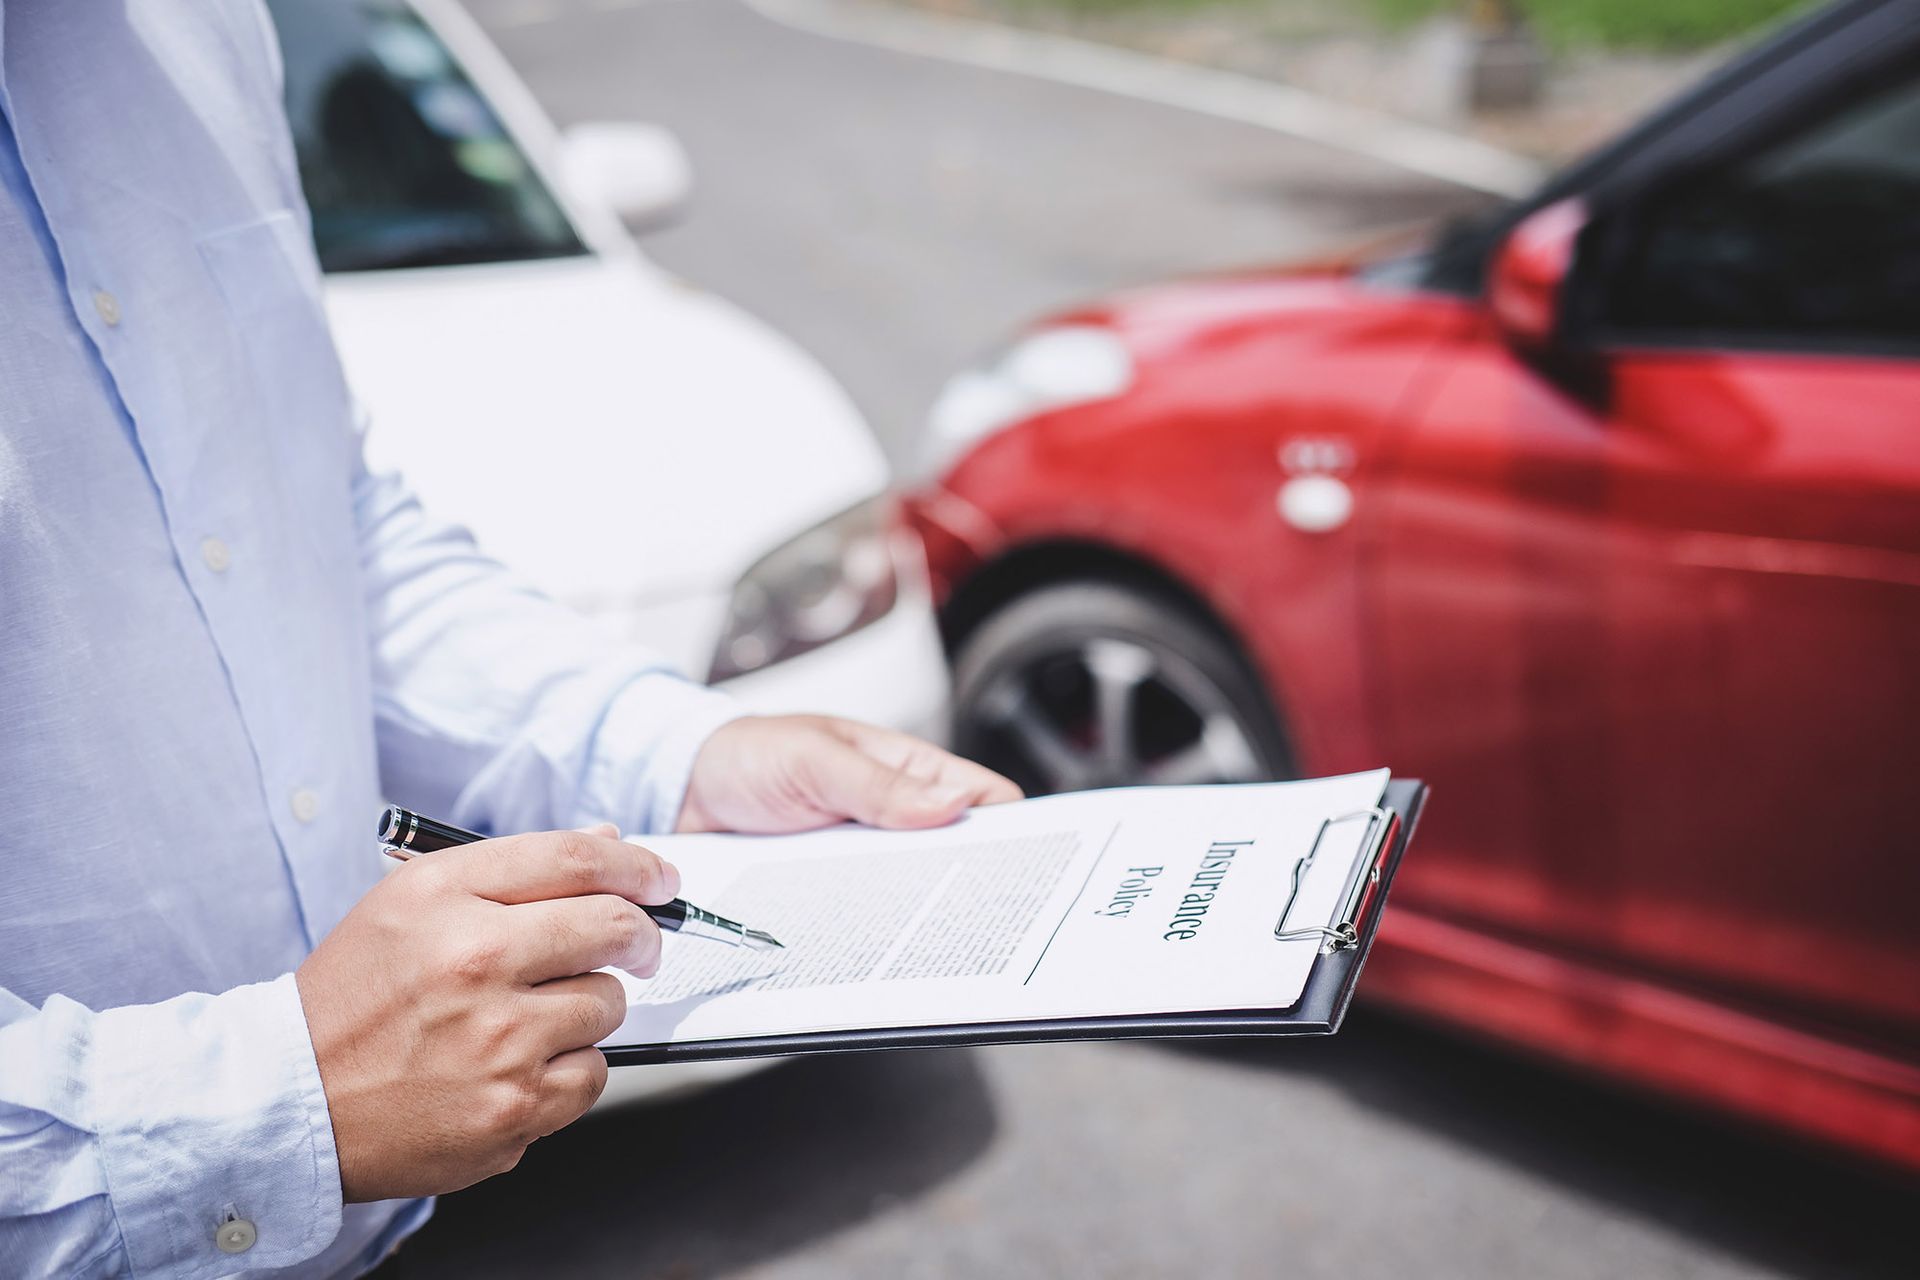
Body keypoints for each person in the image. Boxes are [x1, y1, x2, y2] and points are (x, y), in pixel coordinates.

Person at [0, 2, 1018, 1276]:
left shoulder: (205, 24)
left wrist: (675, 745)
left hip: (374, 1235)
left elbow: (322, 528)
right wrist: (268, 1104)